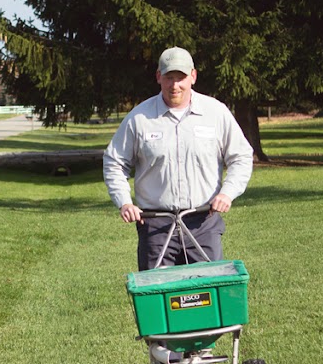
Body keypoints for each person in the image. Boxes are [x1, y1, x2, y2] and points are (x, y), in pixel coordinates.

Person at [103, 46, 254, 272]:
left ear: (193, 76)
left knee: (207, 295)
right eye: (169, 78)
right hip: (155, 224)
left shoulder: (216, 112)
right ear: (158, 77)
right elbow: (114, 161)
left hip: (203, 221)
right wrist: (124, 201)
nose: (175, 85)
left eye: (181, 78)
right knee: (158, 297)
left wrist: (228, 193)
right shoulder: (139, 118)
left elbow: (241, 156)